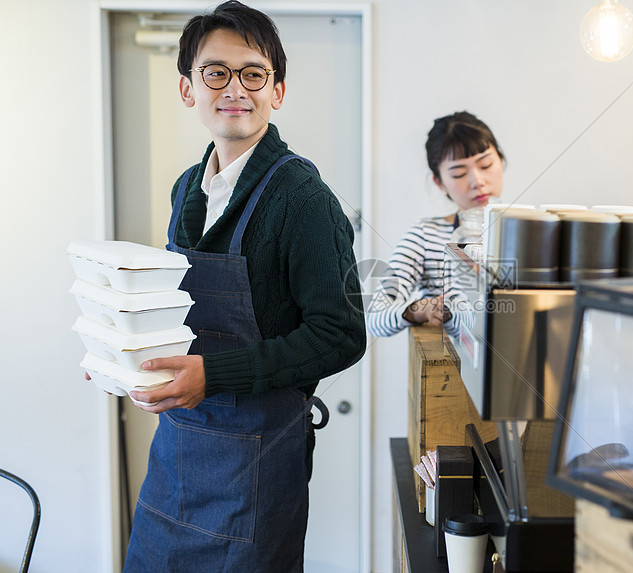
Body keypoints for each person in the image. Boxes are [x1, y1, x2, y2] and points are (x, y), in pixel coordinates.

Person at [121, 2, 366, 570]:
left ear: (276, 90)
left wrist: (215, 374)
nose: (235, 88)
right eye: (215, 72)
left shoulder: (302, 199)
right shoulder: (188, 188)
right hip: (179, 454)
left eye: (253, 73)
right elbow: (175, 307)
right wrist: (123, 349)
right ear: (188, 89)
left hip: (257, 466)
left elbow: (341, 334)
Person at [366, 111, 505, 338]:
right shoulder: (425, 236)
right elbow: (374, 318)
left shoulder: (526, 232)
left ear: (500, 160)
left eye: (486, 165)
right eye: (459, 173)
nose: (477, 182)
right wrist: (417, 310)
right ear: (439, 182)